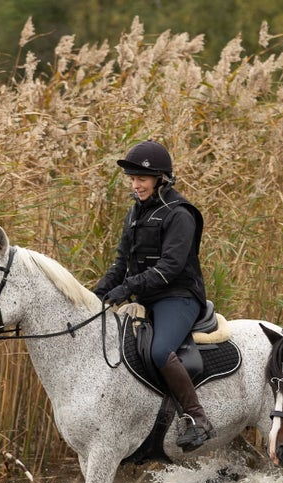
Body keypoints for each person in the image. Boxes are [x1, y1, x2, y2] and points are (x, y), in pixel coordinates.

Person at [93, 140, 213, 451]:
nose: (136, 185)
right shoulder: (134, 212)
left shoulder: (180, 213)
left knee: (160, 351)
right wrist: (97, 296)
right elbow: (121, 263)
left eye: (142, 179)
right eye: (133, 179)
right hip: (147, 296)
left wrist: (129, 288)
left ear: (160, 178)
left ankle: (197, 418)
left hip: (179, 296)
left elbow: (170, 268)